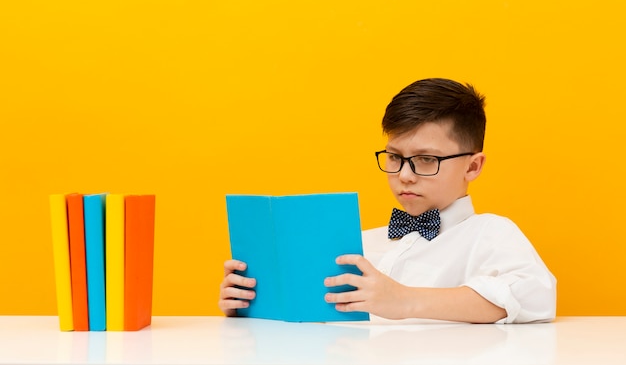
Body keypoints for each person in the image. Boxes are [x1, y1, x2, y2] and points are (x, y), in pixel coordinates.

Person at [218, 78, 556, 323]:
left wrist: (406, 300)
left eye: (426, 160)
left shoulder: (489, 233)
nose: (404, 175)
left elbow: (536, 295)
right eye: (394, 157)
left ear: (472, 165)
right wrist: (247, 306)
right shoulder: (361, 244)